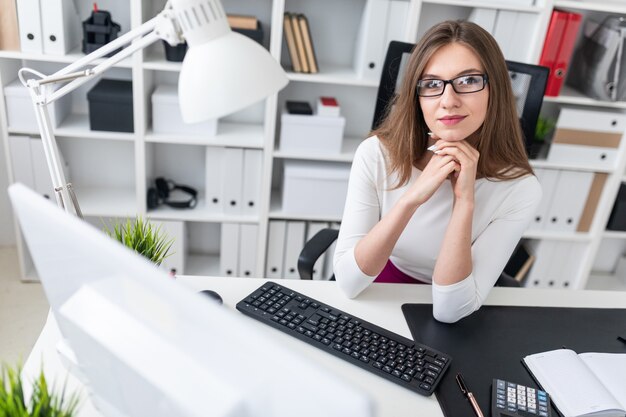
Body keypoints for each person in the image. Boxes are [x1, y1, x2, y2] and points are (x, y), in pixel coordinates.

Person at [333, 20, 542, 323]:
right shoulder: (377, 154)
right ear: (416, 98)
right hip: (380, 289)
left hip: (455, 296)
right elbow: (349, 284)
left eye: (468, 81)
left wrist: (464, 201)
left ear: (494, 89)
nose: (448, 101)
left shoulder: (519, 188)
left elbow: (449, 310)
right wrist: (411, 199)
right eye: (431, 84)